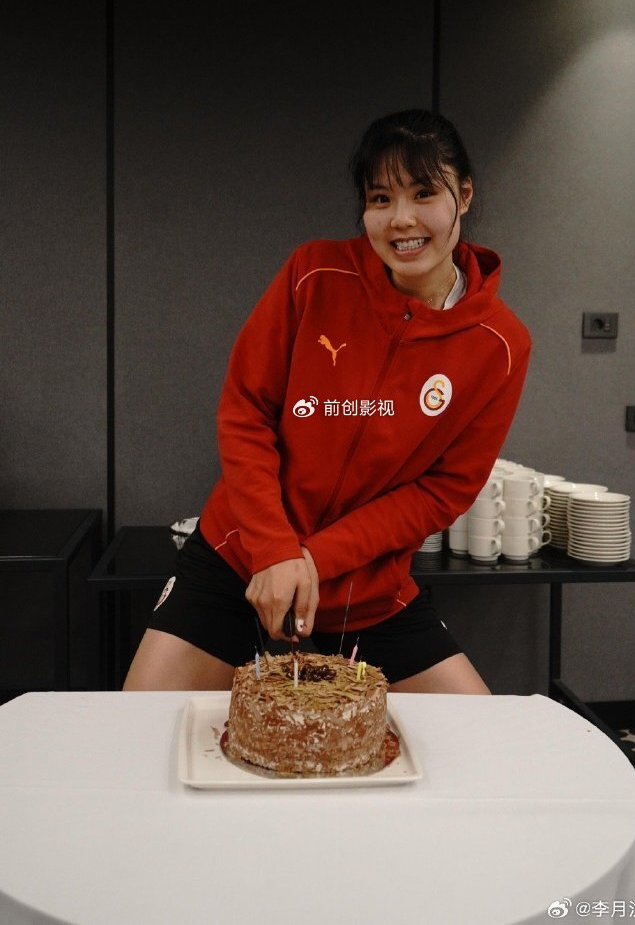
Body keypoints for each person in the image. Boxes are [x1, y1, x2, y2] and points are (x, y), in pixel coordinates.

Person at [124, 109, 531, 695]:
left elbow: (443, 490)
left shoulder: (500, 344)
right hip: (243, 555)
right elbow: (246, 411)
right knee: (142, 720)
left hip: (366, 586)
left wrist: (313, 559)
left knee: (477, 731)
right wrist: (275, 551)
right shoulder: (313, 273)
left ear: (463, 196)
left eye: (423, 193)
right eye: (381, 198)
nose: (402, 219)